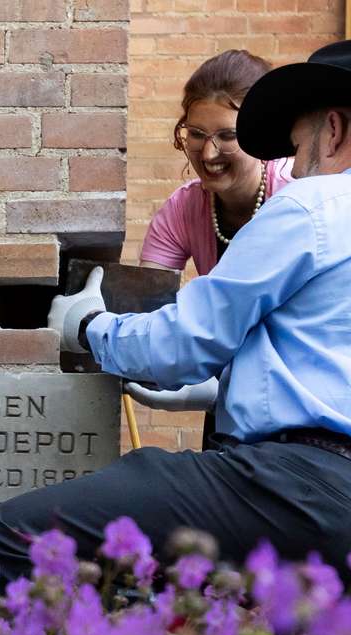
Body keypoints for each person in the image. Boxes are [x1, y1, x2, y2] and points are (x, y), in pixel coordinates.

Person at [0, 38, 351, 586]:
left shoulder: (313, 206)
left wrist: (88, 326)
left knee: (15, 532)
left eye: (297, 139)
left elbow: (179, 345)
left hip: (302, 492)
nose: (295, 155)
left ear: (332, 129)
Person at [130, 49, 295, 423]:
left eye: (227, 136)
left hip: (298, 405)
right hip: (227, 399)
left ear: (261, 131)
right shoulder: (183, 209)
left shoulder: (294, 199)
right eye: (196, 134)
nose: (208, 153)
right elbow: (149, 307)